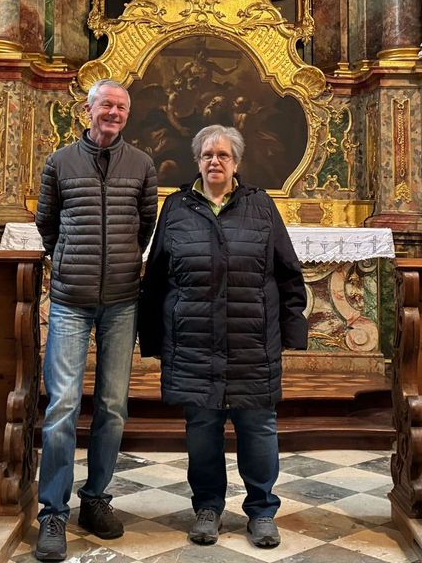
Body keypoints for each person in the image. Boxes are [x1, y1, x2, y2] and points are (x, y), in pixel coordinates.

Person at [139, 125, 307, 549]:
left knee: (259, 427)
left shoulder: (261, 206)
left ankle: (263, 510)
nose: (215, 161)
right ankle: (208, 508)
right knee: (202, 427)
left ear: (237, 162)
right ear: (197, 161)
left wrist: (291, 329)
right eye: (207, 155)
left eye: (224, 155)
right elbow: (156, 278)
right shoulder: (175, 208)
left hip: (252, 339)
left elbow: (287, 272)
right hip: (193, 339)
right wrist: (155, 338)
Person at [33, 79, 158, 561]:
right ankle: (53, 514)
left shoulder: (142, 165)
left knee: (112, 405)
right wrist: (67, 261)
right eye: (106, 104)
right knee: (62, 406)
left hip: (123, 300)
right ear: (87, 109)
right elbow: (48, 224)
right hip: (70, 299)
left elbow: (144, 227)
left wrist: (121, 262)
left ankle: (96, 499)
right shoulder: (59, 162)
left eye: (122, 107)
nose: (114, 112)